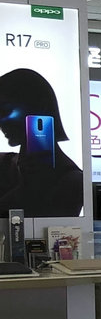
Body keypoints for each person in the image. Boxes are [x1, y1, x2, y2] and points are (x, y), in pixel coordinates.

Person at [0, 69, 84, 218]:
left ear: (41, 106)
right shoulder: (5, 165)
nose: (1, 121)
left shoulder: (72, 181)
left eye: (5, 110)